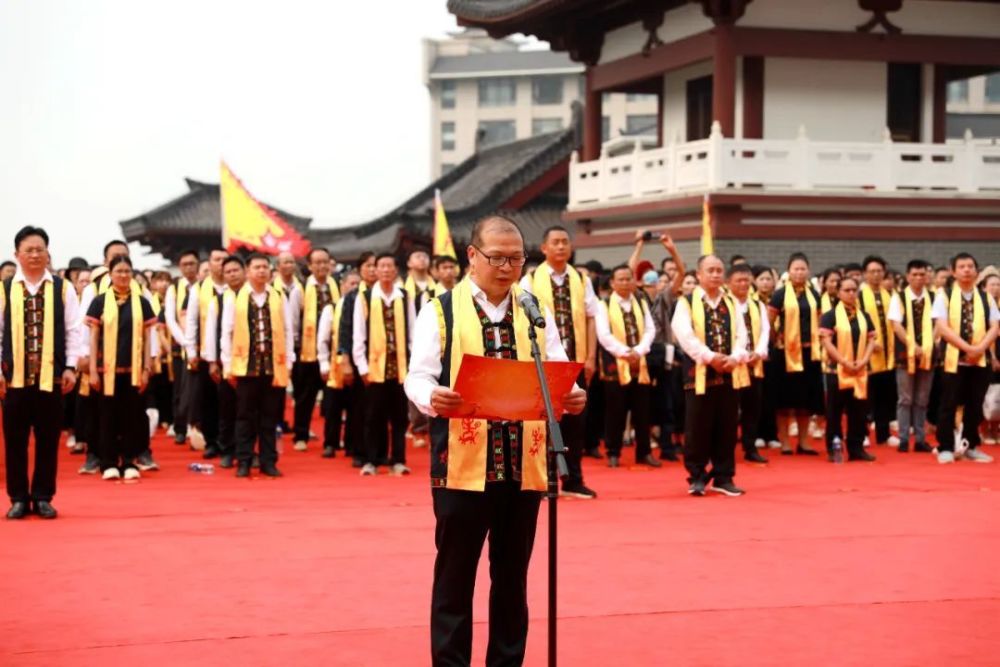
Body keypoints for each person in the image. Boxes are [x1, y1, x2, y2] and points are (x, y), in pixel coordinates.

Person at [404, 215, 585, 667]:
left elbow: (557, 368)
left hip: (524, 465)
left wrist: (572, 395)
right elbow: (417, 375)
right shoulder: (440, 309)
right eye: (497, 258)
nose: (507, 268)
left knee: (512, 579)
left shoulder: (534, 310)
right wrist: (432, 396)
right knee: (455, 577)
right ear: (472, 256)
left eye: (516, 259)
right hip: (463, 467)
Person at [1, 226, 82, 519]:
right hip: (14, 380)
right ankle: (18, 498)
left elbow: (74, 330)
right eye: (29, 250)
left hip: (53, 377)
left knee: (48, 439)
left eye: (40, 250)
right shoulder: (5, 288)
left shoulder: (62, 288)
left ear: (48, 253)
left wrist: (71, 366)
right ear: (17, 255)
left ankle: (44, 496)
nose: (35, 255)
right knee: (15, 440)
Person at [519, 225, 599, 497]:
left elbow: (591, 318)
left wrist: (590, 355)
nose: (561, 247)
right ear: (544, 248)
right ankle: (543, 477)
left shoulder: (582, 279)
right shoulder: (530, 279)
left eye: (565, 242)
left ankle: (574, 478)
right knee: (543, 420)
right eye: (555, 242)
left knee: (576, 421)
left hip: (574, 360)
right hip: (543, 362)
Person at [672, 255, 749, 495]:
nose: (715, 274)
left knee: (726, 426)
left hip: (728, 373)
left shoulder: (732, 302)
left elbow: (742, 335)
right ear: (698, 274)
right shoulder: (686, 302)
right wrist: (710, 357)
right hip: (699, 374)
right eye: (710, 270)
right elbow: (684, 335)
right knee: (697, 426)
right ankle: (697, 476)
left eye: (719, 270)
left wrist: (734, 357)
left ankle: (724, 476)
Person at [220, 253, 295, 478]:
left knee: (270, 416)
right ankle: (244, 460)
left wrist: (289, 360)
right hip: (246, 366)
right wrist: (227, 364)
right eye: (256, 267)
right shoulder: (235, 297)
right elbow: (227, 332)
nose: (261, 271)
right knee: (245, 416)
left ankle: (268, 461)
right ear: (248, 271)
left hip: (273, 366)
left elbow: (289, 330)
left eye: (265, 267)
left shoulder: (279, 296)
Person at [86, 255, 156, 480]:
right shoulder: (99, 302)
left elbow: (147, 338)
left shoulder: (142, 302)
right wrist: (93, 370)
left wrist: (147, 367)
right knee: (107, 417)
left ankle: (128, 461)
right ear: (110, 274)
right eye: (119, 271)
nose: (124, 275)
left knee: (132, 417)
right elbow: (93, 337)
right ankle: (108, 462)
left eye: (127, 271)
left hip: (133, 370)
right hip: (106, 371)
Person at [932, 252, 1000, 464]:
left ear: (977, 271)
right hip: (953, 359)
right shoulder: (943, 295)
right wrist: (967, 348)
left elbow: (995, 327)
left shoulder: (986, 297)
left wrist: (979, 349)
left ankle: (970, 445)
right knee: (948, 404)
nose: (967, 270)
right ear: (953, 271)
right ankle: (945, 446)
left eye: (970, 266)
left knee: (975, 404)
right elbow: (942, 327)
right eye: (961, 266)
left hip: (980, 360)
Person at [353, 253, 412, 476]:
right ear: (375, 271)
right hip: (374, 367)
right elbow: (359, 335)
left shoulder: (404, 296)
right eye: (381, 266)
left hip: (400, 367)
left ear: (396, 270)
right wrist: (362, 367)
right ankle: (372, 460)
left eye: (390, 266)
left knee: (398, 416)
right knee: (373, 416)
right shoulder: (366, 297)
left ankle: (398, 459)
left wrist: (413, 365)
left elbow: (412, 332)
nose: (386, 270)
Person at [595, 264, 658, 468]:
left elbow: (650, 329)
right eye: (620, 279)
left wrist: (639, 350)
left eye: (628, 279)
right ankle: (613, 452)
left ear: (634, 281)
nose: (624, 282)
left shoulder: (640, 301)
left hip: (640, 363)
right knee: (615, 411)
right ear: (612, 283)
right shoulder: (603, 304)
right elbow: (604, 335)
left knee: (643, 411)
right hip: (615, 364)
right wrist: (624, 352)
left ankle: (644, 452)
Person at [768, 253, 823, 455]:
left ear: (808, 271)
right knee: (784, 400)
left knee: (806, 400)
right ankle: (784, 441)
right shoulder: (780, 294)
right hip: (785, 354)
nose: (799, 272)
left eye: (803, 269)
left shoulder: (814, 295)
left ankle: (803, 441)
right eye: (795, 269)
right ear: (788, 271)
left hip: (809, 353)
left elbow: (820, 321)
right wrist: (776, 340)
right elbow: (769, 321)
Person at [819, 277, 877, 463]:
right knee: (834, 411)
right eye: (847, 290)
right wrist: (843, 361)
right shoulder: (830, 316)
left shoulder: (864, 315)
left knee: (858, 411)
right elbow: (826, 342)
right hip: (836, 370)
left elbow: (871, 340)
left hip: (859, 369)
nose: (851, 294)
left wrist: (864, 360)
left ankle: (856, 447)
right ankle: (833, 448)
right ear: (838, 292)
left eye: (854, 290)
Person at [199, 255, 246, 469]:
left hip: (250, 363)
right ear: (223, 276)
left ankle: (246, 450)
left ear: (244, 272)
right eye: (228, 272)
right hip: (225, 361)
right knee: (227, 409)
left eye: (236, 270)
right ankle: (227, 450)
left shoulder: (255, 297)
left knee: (248, 410)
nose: (233, 274)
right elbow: (210, 333)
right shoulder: (218, 301)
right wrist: (212, 362)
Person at [293, 247, 340, 452]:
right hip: (307, 352)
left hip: (333, 351)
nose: (321, 266)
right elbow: (294, 320)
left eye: (325, 262)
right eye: (317, 262)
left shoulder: (337, 285)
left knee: (332, 398)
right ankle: (301, 435)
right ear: (310, 266)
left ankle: (332, 439)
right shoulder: (300, 288)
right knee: (305, 397)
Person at [184, 248, 228, 456]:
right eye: (216, 259)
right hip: (204, 352)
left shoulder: (237, 288)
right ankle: (211, 441)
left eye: (224, 260)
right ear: (209, 264)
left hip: (233, 353)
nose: (220, 264)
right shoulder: (199, 288)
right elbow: (191, 320)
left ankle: (229, 440)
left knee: (229, 399)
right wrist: (191, 350)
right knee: (207, 398)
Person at [888, 260, 935, 453]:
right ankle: (904, 439)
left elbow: (939, 324)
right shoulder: (898, 297)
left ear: (927, 276)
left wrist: (928, 344)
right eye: (914, 274)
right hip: (904, 353)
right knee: (905, 399)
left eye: (922, 274)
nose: (918, 278)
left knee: (922, 399)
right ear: (908, 276)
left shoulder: (935, 297)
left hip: (929, 353)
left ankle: (921, 439)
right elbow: (896, 325)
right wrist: (912, 345)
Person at [339, 251, 377, 467]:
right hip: (358, 356)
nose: (372, 270)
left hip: (385, 359)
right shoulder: (353, 297)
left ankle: (378, 451)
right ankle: (358, 450)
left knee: (378, 407)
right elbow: (345, 330)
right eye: (368, 266)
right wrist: (345, 360)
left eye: (375, 265)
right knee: (359, 406)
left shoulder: (390, 294)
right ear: (361, 270)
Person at [729, 264, 770, 464]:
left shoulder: (757, 305)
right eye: (739, 280)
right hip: (732, 364)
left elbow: (765, 331)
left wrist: (760, 352)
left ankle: (750, 446)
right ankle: (726, 448)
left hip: (754, 364)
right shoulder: (725, 304)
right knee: (729, 409)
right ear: (729, 283)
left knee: (752, 407)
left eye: (746, 280)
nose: (744, 284)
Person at [317, 270, 361, 458]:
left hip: (356, 365)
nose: (354, 287)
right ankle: (330, 443)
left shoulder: (363, 306)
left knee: (354, 407)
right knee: (333, 407)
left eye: (357, 284)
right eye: (351, 283)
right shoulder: (332, 308)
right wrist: (323, 364)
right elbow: (323, 339)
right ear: (342, 286)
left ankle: (352, 443)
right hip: (335, 366)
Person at [859, 255, 898, 446]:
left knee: (885, 395)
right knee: (865, 397)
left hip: (888, 354)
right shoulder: (858, 296)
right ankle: (862, 432)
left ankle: (884, 433)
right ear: (865, 274)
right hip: (867, 354)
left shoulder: (890, 295)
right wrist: (869, 342)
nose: (876, 275)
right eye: (872, 271)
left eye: (879, 271)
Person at [163, 249, 200, 446]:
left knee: (197, 388)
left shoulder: (203, 286)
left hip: (200, 346)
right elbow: (169, 317)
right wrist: (185, 340)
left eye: (192, 264)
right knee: (181, 389)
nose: (189, 268)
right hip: (180, 345)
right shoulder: (174, 289)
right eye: (184, 264)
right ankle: (180, 427)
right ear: (179, 267)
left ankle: (197, 426)